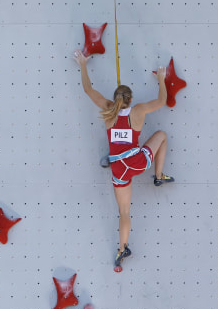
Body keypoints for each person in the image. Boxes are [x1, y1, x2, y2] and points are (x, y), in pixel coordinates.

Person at [72, 49, 174, 271]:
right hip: (137, 162)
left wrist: (82, 64)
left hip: (119, 169)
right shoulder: (138, 111)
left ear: (116, 99)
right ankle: (158, 176)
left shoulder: (108, 110)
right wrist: (160, 79)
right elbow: (162, 100)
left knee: (124, 212)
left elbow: (88, 89)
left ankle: (122, 248)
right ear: (130, 99)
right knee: (162, 136)